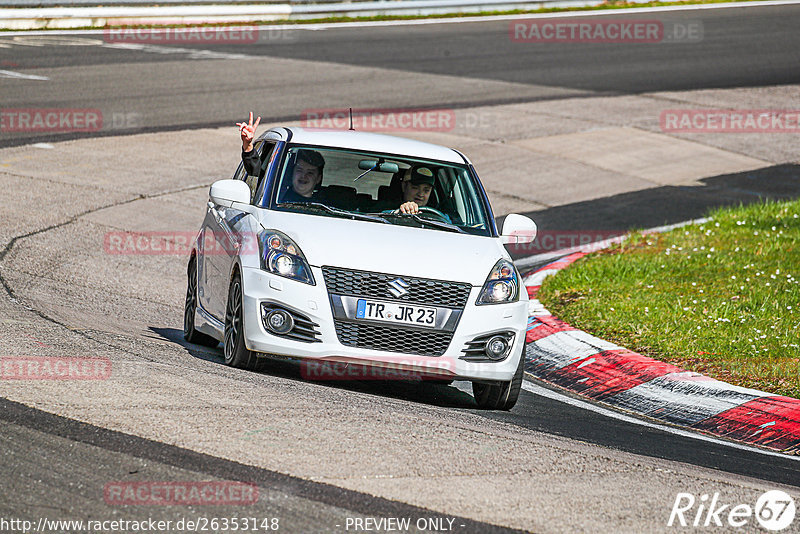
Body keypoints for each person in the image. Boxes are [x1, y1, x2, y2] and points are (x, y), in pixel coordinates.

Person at [236, 112, 325, 202]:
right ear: (292, 172)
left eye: (310, 173)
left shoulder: (324, 206)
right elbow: (256, 172)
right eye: (299, 170)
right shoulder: (273, 193)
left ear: (318, 178)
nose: (303, 176)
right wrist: (248, 146)